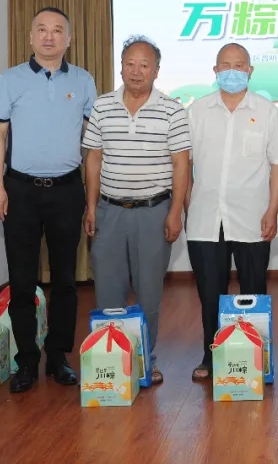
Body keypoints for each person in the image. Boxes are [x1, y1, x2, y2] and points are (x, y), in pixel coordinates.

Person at [0, 7, 97, 394]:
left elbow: (93, 141)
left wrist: (92, 196)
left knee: (66, 279)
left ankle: (59, 356)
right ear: (31, 37)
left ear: (69, 39)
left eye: (57, 30)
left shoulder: (83, 80)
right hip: (20, 190)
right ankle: (27, 361)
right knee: (22, 280)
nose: (49, 37)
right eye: (42, 30)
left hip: (67, 190)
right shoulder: (10, 79)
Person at [81, 35, 191, 386]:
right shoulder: (102, 106)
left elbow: (181, 164)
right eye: (130, 63)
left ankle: (145, 359)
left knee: (148, 293)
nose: (136, 71)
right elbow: (93, 158)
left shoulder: (172, 110)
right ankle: (111, 360)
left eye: (144, 65)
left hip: (153, 212)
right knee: (108, 290)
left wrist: (175, 212)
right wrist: (91, 207)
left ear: (156, 70)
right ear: (121, 67)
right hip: (109, 211)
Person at [185, 43, 278, 381]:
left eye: (239, 65)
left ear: (250, 71)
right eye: (225, 65)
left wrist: (273, 209)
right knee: (210, 294)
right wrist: (187, 205)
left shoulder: (268, 112)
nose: (232, 71)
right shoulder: (197, 111)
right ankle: (211, 354)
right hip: (205, 218)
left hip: (252, 218)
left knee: (253, 291)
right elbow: (183, 165)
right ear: (215, 71)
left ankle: (254, 354)